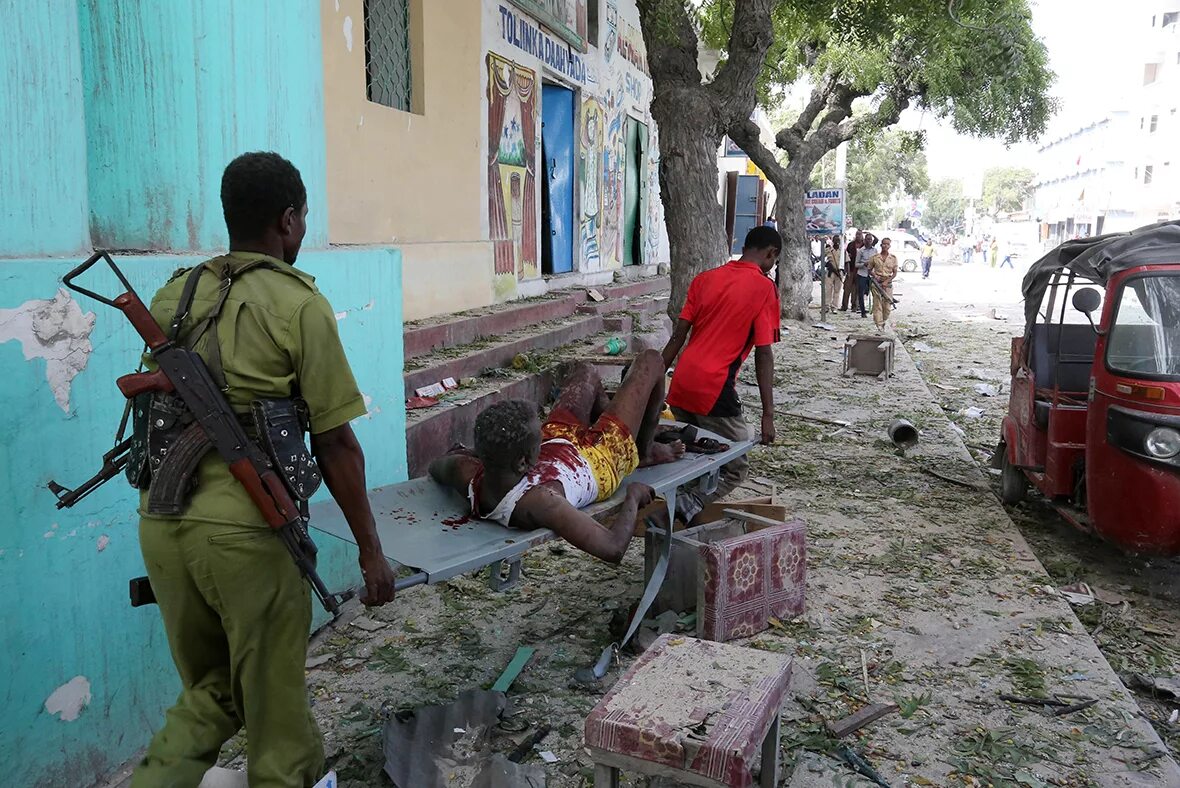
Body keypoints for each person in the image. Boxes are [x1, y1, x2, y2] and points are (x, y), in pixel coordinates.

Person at [132, 152, 396, 787]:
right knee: (279, 735)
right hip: (248, 531)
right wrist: (370, 553)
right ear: (286, 220)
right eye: (302, 220)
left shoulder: (174, 292)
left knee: (213, 691)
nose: (302, 232)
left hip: (162, 520)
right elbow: (336, 446)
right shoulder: (297, 302)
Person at [429, 353, 680, 562]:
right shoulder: (541, 501)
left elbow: (436, 466)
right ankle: (642, 451)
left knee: (586, 372)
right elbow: (612, 549)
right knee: (651, 362)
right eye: (537, 437)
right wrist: (633, 495)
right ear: (523, 462)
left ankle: (618, 421)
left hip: (558, 442)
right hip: (601, 459)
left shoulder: (465, 472)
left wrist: (485, 452)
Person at [659, 226, 781, 516]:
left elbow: (677, 337)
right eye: (774, 260)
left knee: (693, 454)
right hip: (713, 388)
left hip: (682, 382)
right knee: (735, 467)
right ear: (770, 254)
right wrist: (768, 415)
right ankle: (683, 511)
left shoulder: (704, 279)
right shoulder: (764, 288)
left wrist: (655, 379)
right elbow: (764, 355)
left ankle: (680, 508)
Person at [869, 237, 900, 331]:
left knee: (887, 307)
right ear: (881, 245)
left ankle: (883, 321)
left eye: (887, 244)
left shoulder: (893, 258)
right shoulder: (874, 258)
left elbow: (894, 273)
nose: (885, 246)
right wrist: (875, 275)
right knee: (877, 305)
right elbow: (869, 269)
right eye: (884, 244)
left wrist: (887, 281)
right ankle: (879, 324)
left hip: (888, 284)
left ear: (889, 246)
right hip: (877, 283)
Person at [855, 233, 879, 318]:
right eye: (867, 239)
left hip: (872, 275)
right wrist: (863, 264)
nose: (869, 241)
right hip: (862, 274)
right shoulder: (860, 251)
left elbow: (877, 262)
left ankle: (875, 310)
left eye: (870, 239)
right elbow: (856, 264)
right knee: (861, 293)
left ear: (872, 241)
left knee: (874, 292)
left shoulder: (875, 250)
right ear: (864, 240)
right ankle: (862, 311)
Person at [840, 230, 863, 311]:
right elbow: (847, 258)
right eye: (857, 234)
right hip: (851, 269)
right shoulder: (851, 245)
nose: (858, 236)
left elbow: (875, 241)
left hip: (860, 271)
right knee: (847, 288)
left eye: (860, 234)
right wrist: (847, 271)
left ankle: (854, 306)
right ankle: (844, 306)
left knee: (855, 290)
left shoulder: (864, 245)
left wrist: (870, 234)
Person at [826, 235, 843, 310]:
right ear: (832, 241)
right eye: (835, 240)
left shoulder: (842, 251)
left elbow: (847, 261)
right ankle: (827, 305)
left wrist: (846, 272)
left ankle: (834, 306)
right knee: (828, 289)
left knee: (837, 290)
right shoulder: (829, 249)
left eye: (838, 240)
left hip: (839, 272)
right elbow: (823, 256)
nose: (836, 242)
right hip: (830, 271)